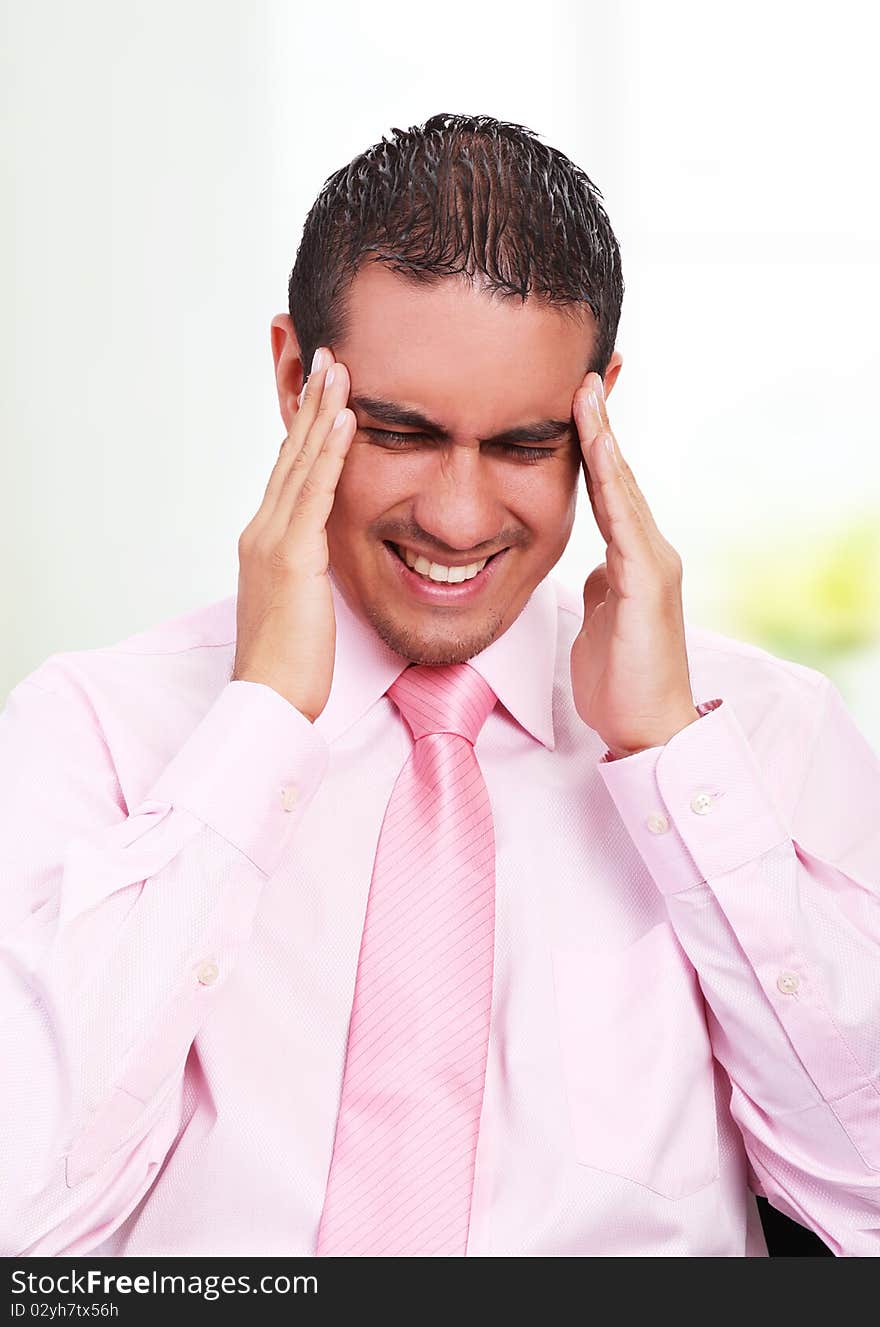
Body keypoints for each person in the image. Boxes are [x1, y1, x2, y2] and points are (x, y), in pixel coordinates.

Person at [2, 112, 878, 1259]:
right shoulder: (96, 730)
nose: (460, 518)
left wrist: (668, 759)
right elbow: (21, 1214)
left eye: (524, 445)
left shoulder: (759, 740)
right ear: (291, 377)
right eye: (402, 433)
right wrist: (258, 724)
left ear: (599, 404)